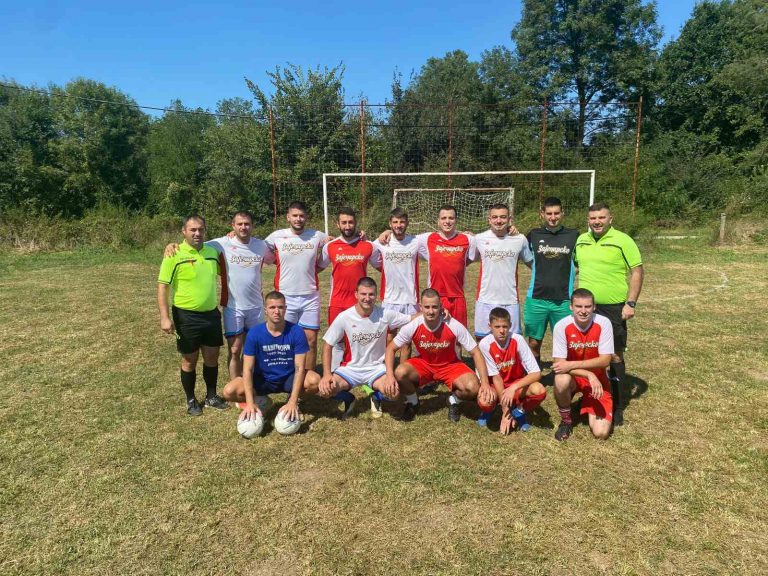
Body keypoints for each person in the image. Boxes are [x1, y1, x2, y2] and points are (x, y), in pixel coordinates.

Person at [164, 210, 275, 379]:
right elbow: (194, 243)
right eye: (239, 224)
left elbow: (276, 258)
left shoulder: (261, 245)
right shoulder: (221, 244)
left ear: (252, 226)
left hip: (256, 307)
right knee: (235, 349)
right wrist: (173, 245)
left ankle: (251, 382)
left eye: (247, 224)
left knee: (254, 348)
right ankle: (236, 386)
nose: (243, 227)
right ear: (233, 226)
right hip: (233, 306)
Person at [574, 202, 644, 425]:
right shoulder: (581, 240)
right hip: (586, 308)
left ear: (610, 219)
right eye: (593, 218)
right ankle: (588, 396)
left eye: (601, 218)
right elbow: (574, 267)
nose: (597, 222)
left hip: (613, 308)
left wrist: (630, 303)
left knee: (614, 355)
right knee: (586, 353)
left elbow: (637, 271)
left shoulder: (623, 240)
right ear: (588, 220)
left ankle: (618, 404)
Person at [307, 277, 415, 420]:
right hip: (350, 369)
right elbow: (327, 345)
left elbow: (411, 318)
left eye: (371, 294)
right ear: (356, 294)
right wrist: (327, 374)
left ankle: (376, 396)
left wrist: (436, 313)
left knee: (394, 393)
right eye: (363, 294)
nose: (367, 298)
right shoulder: (344, 317)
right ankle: (349, 399)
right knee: (325, 390)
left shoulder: (385, 314)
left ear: (376, 295)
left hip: (376, 368)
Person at [384, 288, 493, 423]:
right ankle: (413, 402)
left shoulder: (452, 324)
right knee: (400, 372)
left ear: (441, 306)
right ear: (421, 307)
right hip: (425, 364)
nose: (431, 311)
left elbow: (476, 352)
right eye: (427, 307)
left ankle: (453, 400)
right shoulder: (413, 325)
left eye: (435, 307)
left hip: (450, 365)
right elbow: (391, 348)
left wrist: (485, 383)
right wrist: (389, 375)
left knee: (473, 387)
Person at [157, 214, 229, 416]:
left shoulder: (212, 253)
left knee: (212, 356)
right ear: (184, 231)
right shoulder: (174, 254)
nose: (197, 233)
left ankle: (211, 396)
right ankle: (190, 399)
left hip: (211, 314)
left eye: (201, 229)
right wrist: (164, 317)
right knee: (190, 358)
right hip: (185, 316)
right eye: (193, 230)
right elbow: (163, 286)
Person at [221, 291, 317, 424]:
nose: (277, 311)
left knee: (314, 381)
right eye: (272, 307)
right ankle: (261, 401)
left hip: (288, 378)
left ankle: (294, 402)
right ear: (265, 310)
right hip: (262, 380)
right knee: (229, 391)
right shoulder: (254, 333)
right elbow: (247, 370)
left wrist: (292, 401)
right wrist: (249, 403)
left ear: (285, 309)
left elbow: (300, 368)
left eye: (280, 307)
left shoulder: (296, 331)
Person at [378, 205, 475, 328]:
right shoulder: (427, 238)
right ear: (438, 221)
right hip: (435, 296)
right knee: (435, 333)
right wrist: (388, 231)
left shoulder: (468, 240)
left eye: (451, 218)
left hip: (458, 297)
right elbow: (402, 235)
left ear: (456, 220)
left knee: (458, 335)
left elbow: (468, 260)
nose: (447, 221)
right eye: (443, 218)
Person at [264, 201, 327, 369]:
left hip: (310, 297)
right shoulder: (276, 236)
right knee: (284, 339)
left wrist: (361, 234)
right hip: (285, 296)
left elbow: (338, 242)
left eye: (301, 216)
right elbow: (255, 246)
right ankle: (286, 374)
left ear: (306, 217)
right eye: (295, 216)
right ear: (288, 217)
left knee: (311, 340)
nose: (298, 219)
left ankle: (308, 376)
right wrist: (232, 235)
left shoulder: (317, 235)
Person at [551, 288, 615, 441]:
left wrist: (571, 365)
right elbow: (559, 365)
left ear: (594, 307)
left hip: (598, 382)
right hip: (576, 378)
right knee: (561, 379)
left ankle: (586, 401)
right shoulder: (561, 326)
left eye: (588, 306)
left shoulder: (604, 323)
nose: (583, 311)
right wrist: (588, 374)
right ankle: (566, 421)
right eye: (578, 306)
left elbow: (605, 360)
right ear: (571, 307)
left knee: (601, 433)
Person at [524, 196, 579, 365]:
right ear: (542, 214)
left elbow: (581, 261)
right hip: (536, 298)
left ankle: (564, 376)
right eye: (549, 213)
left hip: (563, 300)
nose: (553, 217)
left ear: (562, 213)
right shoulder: (533, 235)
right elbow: (522, 254)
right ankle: (534, 375)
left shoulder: (574, 235)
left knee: (565, 343)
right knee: (534, 343)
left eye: (556, 213)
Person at [478, 308, 545, 433]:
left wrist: (513, 388)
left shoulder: (517, 340)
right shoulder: (485, 344)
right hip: (495, 385)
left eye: (505, 326)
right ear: (490, 326)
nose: (502, 330)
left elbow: (536, 373)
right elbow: (496, 378)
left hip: (515, 383)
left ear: (510, 325)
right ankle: (492, 409)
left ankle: (518, 411)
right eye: (497, 326)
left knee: (539, 390)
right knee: (484, 401)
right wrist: (505, 411)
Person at [472, 203, 533, 338]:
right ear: (489, 220)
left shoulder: (520, 239)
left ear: (509, 219)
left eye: (503, 217)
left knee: (512, 340)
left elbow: (532, 264)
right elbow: (467, 260)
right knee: (482, 340)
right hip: (485, 299)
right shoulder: (479, 239)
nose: (498, 221)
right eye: (495, 217)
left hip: (510, 300)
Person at [372, 207, 420, 361]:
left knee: (407, 342)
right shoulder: (381, 242)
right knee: (389, 338)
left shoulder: (416, 242)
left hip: (410, 300)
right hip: (390, 299)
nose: (399, 225)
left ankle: (402, 372)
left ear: (407, 223)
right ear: (390, 223)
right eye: (395, 222)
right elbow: (371, 257)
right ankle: (388, 370)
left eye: (402, 222)